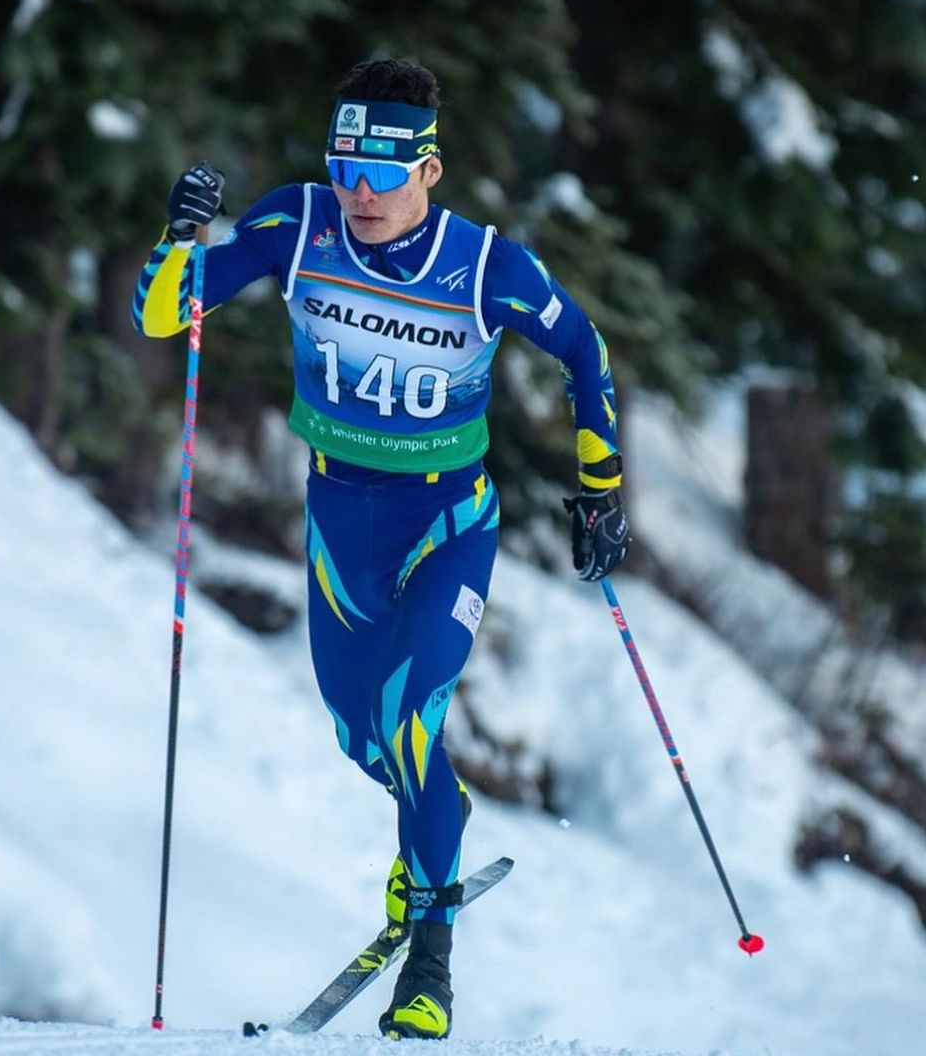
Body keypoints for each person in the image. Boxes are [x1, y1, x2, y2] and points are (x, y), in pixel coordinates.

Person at [131, 58, 629, 1040]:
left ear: (429, 170)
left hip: (448, 525)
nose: (361, 191)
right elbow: (166, 312)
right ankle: (437, 818)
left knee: (407, 723)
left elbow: (585, 351)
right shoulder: (300, 224)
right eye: (346, 165)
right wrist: (179, 232)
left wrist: (601, 490)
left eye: (385, 171)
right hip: (337, 525)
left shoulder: (486, 267)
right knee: (368, 743)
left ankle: (429, 964)